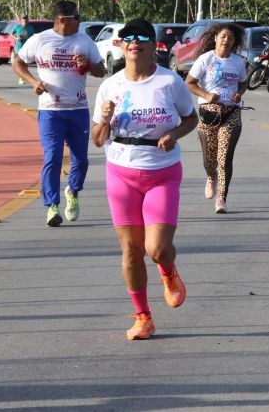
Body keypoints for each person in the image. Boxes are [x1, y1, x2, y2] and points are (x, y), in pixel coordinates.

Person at [91, 18, 198, 340]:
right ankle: (143, 317)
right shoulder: (110, 86)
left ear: (154, 45)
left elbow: (191, 118)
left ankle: (168, 271)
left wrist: (174, 134)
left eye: (141, 37)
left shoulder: (170, 82)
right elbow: (97, 139)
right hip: (120, 172)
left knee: (157, 248)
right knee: (130, 251)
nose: (134, 41)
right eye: (128, 38)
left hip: (162, 173)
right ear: (121, 46)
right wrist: (106, 120)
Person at [12, 0, 105, 226]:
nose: (80, 21)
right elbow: (18, 62)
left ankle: (72, 191)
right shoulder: (40, 40)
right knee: (52, 158)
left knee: (81, 161)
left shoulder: (84, 41)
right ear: (63, 20)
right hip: (50, 111)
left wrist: (88, 65)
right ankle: (52, 206)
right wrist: (33, 82)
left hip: (77, 109)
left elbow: (101, 71)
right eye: (77, 18)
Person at [185, 23, 248, 214]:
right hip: (208, 113)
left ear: (234, 42)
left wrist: (238, 94)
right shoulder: (205, 59)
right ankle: (211, 176)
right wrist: (206, 95)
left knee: (225, 157)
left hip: (232, 112)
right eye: (223, 37)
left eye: (230, 38)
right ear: (215, 39)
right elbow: (189, 82)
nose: (226, 40)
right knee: (209, 160)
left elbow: (244, 83)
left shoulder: (238, 61)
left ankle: (222, 198)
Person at [13, 15, 34, 84]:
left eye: (26, 20)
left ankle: (22, 77)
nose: (25, 22)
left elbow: (33, 36)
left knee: (26, 63)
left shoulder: (30, 28)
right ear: (21, 20)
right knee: (20, 63)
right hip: (19, 47)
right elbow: (11, 34)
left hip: (27, 47)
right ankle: (21, 78)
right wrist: (16, 38)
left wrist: (29, 39)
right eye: (23, 20)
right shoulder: (17, 27)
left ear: (28, 20)